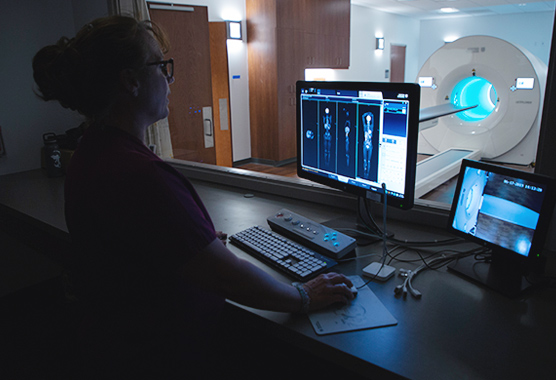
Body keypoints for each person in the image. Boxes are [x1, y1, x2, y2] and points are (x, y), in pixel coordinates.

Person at [33, 16, 355, 377]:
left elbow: (136, 245)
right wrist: (304, 296)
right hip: (161, 356)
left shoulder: (90, 152)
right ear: (130, 80)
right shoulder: (140, 174)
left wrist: (194, 244)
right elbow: (228, 278)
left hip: (115, 343)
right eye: (161, 65)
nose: (171, 79)